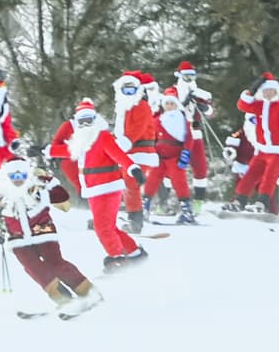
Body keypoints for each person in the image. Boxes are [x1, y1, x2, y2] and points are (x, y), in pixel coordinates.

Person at [0, 157, 104, 312]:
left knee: (56, 264)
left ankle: (88, 292)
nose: (18, 180)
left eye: (21, 176)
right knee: (33, 268)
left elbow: (62, 196)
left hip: (43, 231)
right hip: (17, 238)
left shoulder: (38, 183)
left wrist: (43, 188)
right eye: (14, 177)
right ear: (7, 176)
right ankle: (63, 299)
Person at [69, 97, 146, 265]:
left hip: (108, 188)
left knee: (102, 228)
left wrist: (133, 168)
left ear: (95, 119)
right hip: (93, 189)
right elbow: (65, 151)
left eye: (89, 120)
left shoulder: (103, 137)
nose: (85, 124)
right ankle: (134, 252)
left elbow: (119, 155)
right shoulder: (80, 141)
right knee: (109, 227)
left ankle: (117, 259)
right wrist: (45, 150)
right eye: (82, 121)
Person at [234, 73, 279, 213]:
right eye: (265, 91)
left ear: (276, 91)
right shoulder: (259, 105)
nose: (268, 93)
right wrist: (250, 91)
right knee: (251, 174)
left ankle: (262, 202)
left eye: (271, 91)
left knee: (270, 175)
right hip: (263, 148)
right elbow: (242, 106)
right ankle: (240, 200)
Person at [140, 88, 198, 224]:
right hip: (159, 156)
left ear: (176, 105)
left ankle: (186, 210)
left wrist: (185, 153)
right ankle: (144, 207)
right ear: (163, 105)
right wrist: (151, 151)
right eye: (167, 104)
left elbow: (189, 138)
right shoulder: (157, 120)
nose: (169, 106)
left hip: (175, 155)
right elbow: (150, 136)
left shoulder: (183, 121)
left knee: (179, 182)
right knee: (152, 180)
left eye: (172, 104)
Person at [164, 61, 215, 210]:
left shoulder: (198, 92)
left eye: (191, 76)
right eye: (186, 76)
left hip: (195, 132)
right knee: (170, 168)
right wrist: (184, 102)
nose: (189, 80)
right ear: (179, 76)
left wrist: (206, 108)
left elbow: (211, 111)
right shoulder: (172, 91)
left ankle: (198, 203)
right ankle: (163, 201)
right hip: (176, 135)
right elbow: (168, 106)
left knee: (200, 167)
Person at [112, 71, 158, 233]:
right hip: (128, 151)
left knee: (131, 183)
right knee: (120, 182)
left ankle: (135, 221)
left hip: (140, 150)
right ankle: (112, 215)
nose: (129, 94)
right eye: (125, 90)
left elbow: (137, 128)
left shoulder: (141, 105)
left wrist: (123, 144)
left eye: (132, 90)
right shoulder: (123, 108)